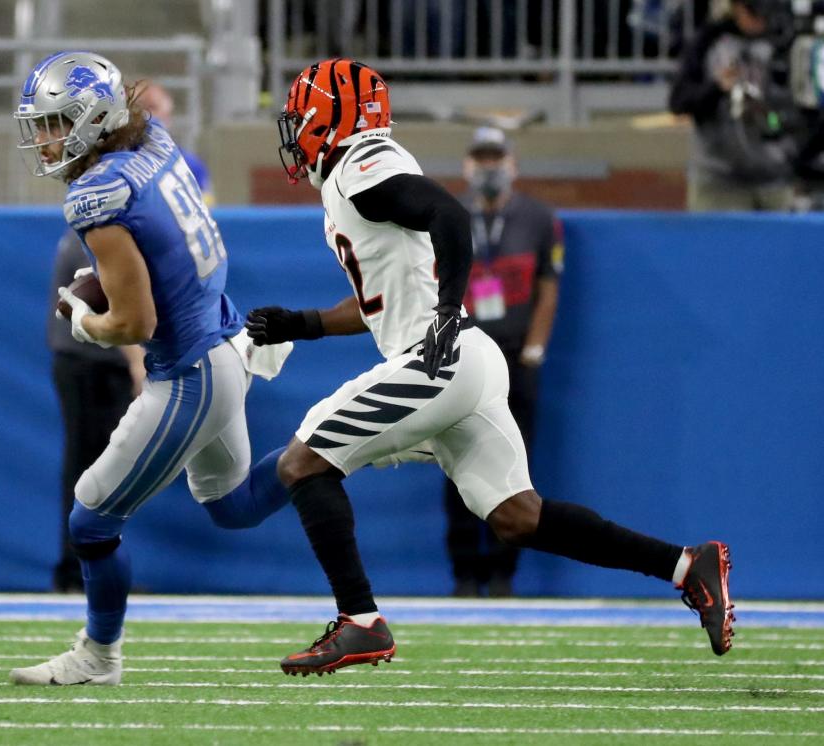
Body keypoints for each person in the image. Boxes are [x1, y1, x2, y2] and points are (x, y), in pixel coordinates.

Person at [245, 57, 735, 677]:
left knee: (303, 459)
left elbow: (447, 215)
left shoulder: (360, 164)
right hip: (461, 358)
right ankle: (689, 567)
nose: (294, 132)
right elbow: (386, 299)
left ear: (332, 118)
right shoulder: (354, 179)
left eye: (302, 118)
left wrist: (448, 312)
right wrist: (303, 324)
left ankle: (360, 622)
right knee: (516, 515)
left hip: (441, 357)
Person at [8, 51, 292, 686]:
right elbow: (158, 255)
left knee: (89, 519)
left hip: (189, 368)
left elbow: (133, 325)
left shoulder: (96, 195)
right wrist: (107, 279)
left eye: (56, 123)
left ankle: (98, 655)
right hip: (225, 339)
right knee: (233, 505)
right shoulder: (155, 142)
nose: (46, 140)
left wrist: (83, 321)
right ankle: (339, 445)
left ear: (93, 119)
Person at [44, 79, 205, 594]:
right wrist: (126, 352)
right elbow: (130, 315)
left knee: (108, 476)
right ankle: (78, 572)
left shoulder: (123, 185)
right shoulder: (109, 195)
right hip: (94, 351)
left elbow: (135, 310)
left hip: (128, 345)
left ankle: (87, 572)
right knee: (92, 473)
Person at [443, 126, 563, 598]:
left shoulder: (538, 218)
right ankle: (464, 572)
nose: (489, 166)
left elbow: (548, 287)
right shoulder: (449, 214)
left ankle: (502, 572)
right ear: (468, 162)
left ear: (511, 162)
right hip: (463, 353)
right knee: (455, 460)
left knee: (513, 464)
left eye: (496, 156)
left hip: (514, 353)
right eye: (481, 156)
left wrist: (534, 348)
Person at [47, 234, 146, 593]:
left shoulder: (88, 229)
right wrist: (138, 362)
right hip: (92, 362)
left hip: (91, 360)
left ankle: (93, 568)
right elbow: (118, 298)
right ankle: (79, 570)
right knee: (91, 471)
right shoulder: (98, 231)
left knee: (100, 472)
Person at [668, 0, 796, 211]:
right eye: (754, 11)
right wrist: (717, 87)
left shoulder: (783, 43)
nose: (761, 21)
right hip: (720, 181)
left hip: (774, 178)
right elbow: (679, 102)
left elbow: (794, 113)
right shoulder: (709, 41)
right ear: (737, 8)